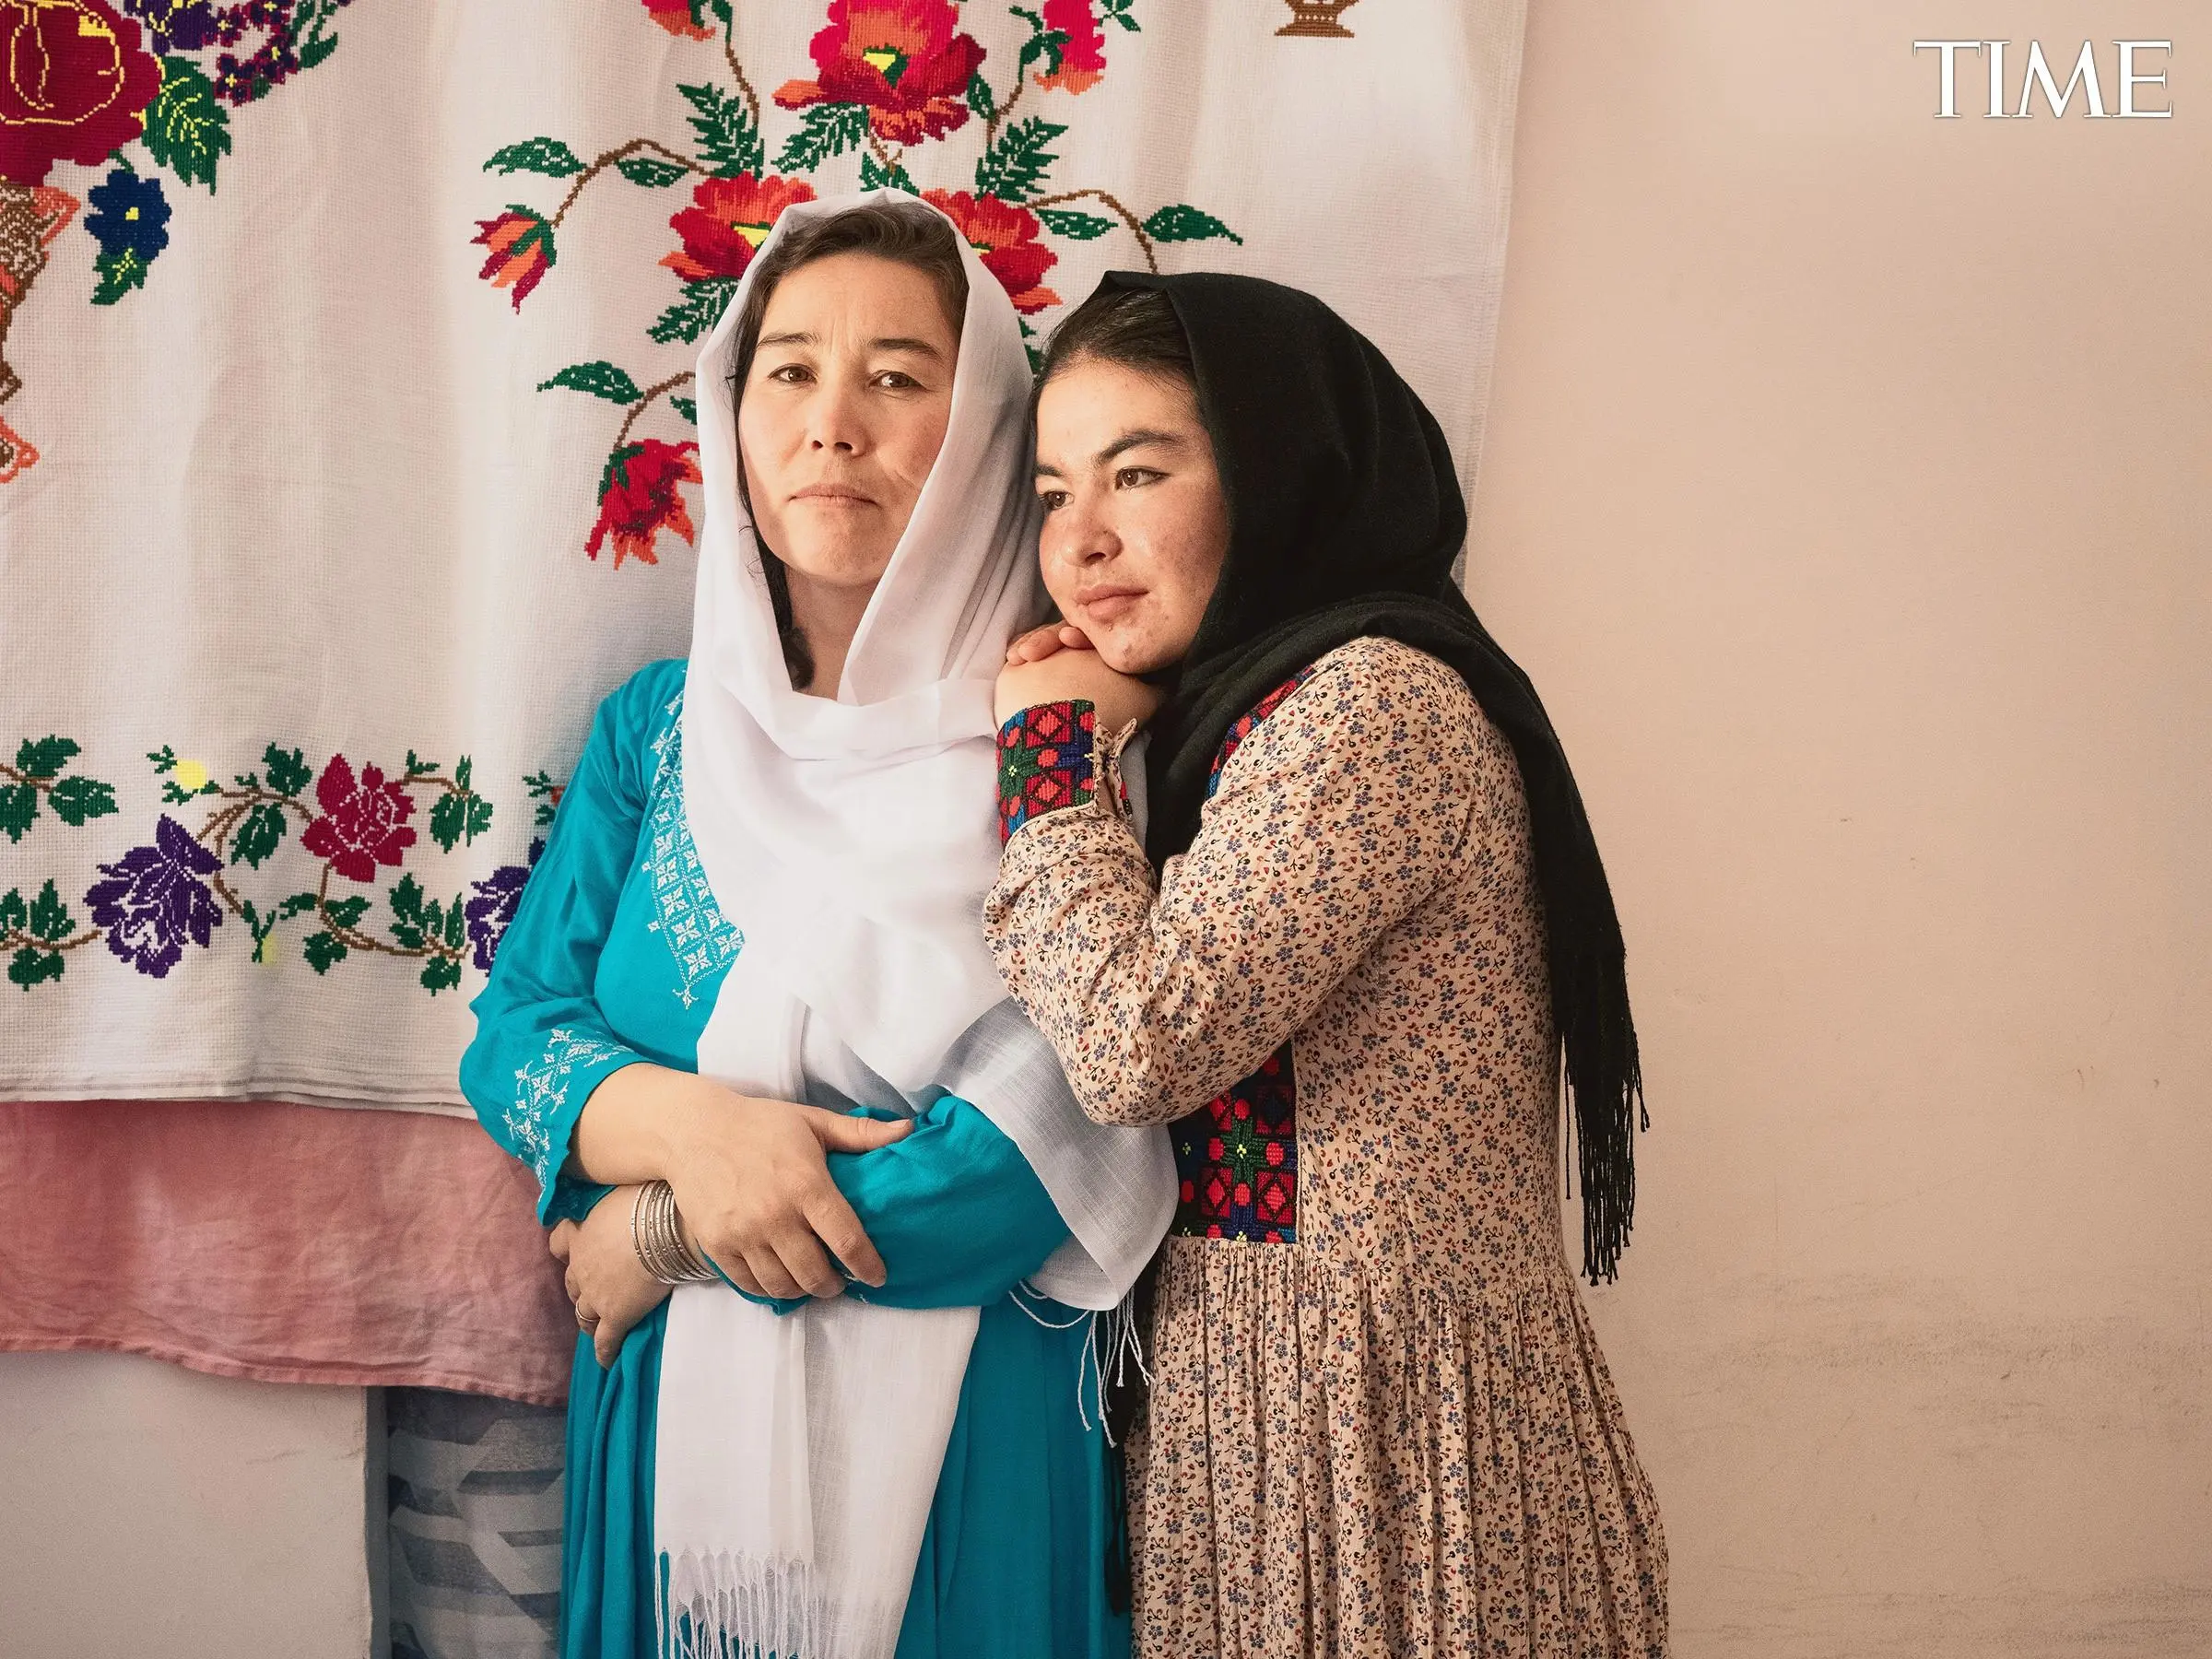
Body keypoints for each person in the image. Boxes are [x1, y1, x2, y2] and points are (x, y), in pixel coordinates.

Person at [462, 195, 1173, 1659]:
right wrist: (691, 1131)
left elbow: (1031, 1161)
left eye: (899, 377)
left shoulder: (1065, 740)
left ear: (986, 432)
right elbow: (515, 1038)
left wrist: (661, 1232)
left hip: (972, 1439)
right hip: (668, 1449)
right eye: (787, 371)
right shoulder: (656, 736)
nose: (831, 424)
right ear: (732, 417)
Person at [984, 274, 1670, 1657]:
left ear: (1279, 469)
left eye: (1139, 470)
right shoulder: (1234, 727)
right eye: (1054, 492)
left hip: (1395, 1452)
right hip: (1277, 1426)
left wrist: (1048, 748)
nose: (1084, 537)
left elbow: (1135, 1043)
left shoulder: (1369, 702)